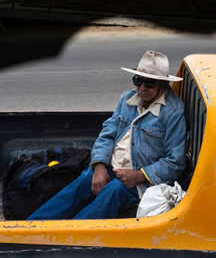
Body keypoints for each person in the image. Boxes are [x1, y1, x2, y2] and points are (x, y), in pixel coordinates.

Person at [27, 51, 186, 220]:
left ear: (162, 84)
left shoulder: (173, 112)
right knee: (84, 180)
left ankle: (72, 236)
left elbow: (174, 162)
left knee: (113, 191)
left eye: (149, 84)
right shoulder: (127, 99)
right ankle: (30, 228)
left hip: (141, 181)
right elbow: (107, 133)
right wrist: (100, 166)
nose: (142, 88)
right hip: (112, 167)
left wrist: (139, 175)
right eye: (138, 81)